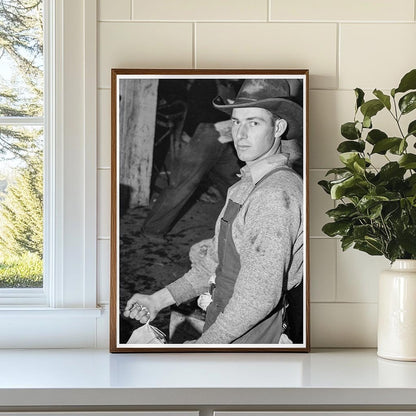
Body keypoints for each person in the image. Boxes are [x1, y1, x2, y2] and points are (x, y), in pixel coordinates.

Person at [124, 78, 304, 344]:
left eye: (253, 123)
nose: (240, 134)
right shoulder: (243, 186)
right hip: (223, 320)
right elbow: (213, 265)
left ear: (278, 127)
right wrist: (157, 299)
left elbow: (258, 298)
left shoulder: (275, 194)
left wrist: (204, 346)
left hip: (249, 336)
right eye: (236, 122)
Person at [141, 79, 242, 238]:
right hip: (203, 137)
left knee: (236, 183)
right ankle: (152, 230)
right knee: (182, 186)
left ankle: (243, 224)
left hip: (225, 136)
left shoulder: (231, 85)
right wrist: (189, 137)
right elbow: (195, 112)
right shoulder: (206, 83)